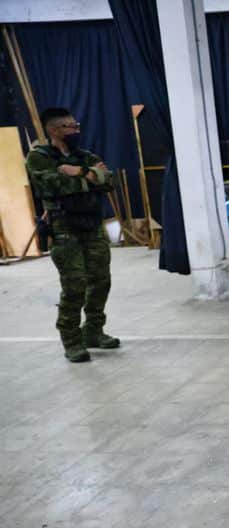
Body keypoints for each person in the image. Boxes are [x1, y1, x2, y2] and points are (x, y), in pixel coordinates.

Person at [25, 107, 118, 363]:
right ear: (54, 130)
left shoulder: (84, 156)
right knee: (74, 286)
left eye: (76, 125)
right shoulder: (38, 158)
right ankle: (72, 340)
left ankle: (94, 332)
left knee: (101, 281)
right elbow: (51, 185)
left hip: (92, 226)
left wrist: (77, 172)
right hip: (64, 230)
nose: (76, 130)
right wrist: (91, 176)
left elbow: (109, 182)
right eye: (70, 127)